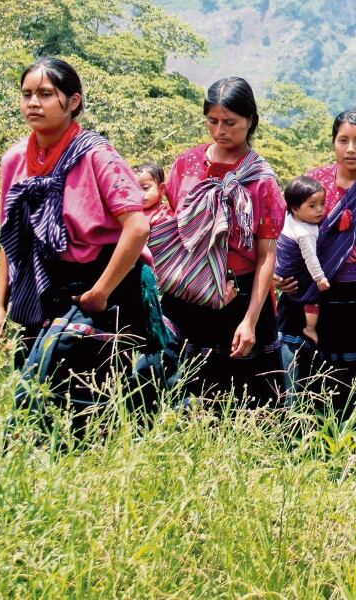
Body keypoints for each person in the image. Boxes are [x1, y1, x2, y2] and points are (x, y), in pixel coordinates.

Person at [0, 58, 162, 430]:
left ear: (72, 102)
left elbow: (136, 227)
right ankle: (40, 471)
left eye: (46, 94)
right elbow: (12, 236)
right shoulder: (15, 160)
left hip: (104, 282)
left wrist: (101, 291)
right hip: (42, 284)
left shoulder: (96, 155)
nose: (33, 103)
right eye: (27, 95)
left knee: (73, 382)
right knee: (37, 382)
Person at [155, 77, 285, 409]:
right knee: (175, 389)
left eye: (230, 122)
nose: (219, 130)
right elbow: (169, 223)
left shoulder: (261, 181)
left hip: (237, 298)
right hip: (185, 294)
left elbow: (266, 256)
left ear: (250, 121)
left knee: (243, 399)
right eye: (212, 121)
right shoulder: (186, 164)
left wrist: (251, 320)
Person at [275, 109, 356, 422]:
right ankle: (308, 457)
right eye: (343, 140)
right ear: (333, 143)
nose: (350, 149)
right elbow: (285, 231)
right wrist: (278, 277)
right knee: (307, 381)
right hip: (308, 295)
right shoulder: (313, 182)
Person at [276, 176, 328, 345]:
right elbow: (310, 258)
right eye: (312, 206)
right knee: (312, 295)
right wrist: (319, 278)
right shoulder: (306, 233)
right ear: (296, 209)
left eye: (322, 204)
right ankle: (310, 327)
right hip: (292, 274)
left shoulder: (288, 218)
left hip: (278, 272)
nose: (319, 210)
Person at [133, 162, 171, 227]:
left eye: (145, 188)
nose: (139, 194)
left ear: (161, 189)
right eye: (135, 190)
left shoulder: (166, 213)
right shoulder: (132, 215)